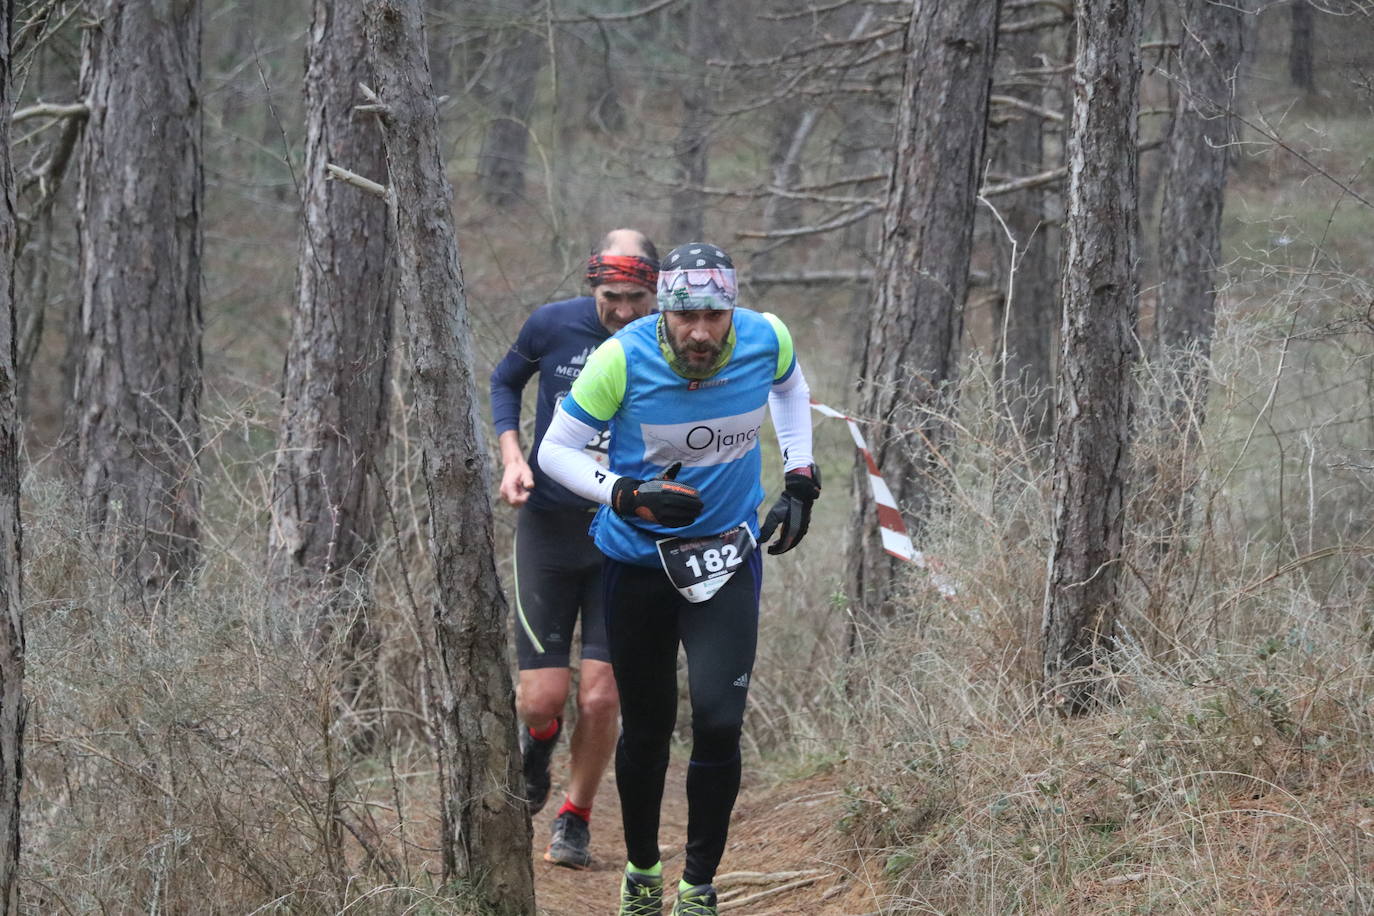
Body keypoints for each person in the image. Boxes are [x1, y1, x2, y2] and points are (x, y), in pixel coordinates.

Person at [538, 242, 821, 916]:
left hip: (726, 558)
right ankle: (641, 870)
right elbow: (555, 450)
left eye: (713, 316)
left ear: (732, 309)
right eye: (685, 316)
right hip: (638, 565)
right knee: (648, 728)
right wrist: (627, 493)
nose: (699, 332)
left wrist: (801, 475)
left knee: (720, 724)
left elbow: (790, 387)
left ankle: (698, 883)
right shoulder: (622, 358)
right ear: (664, 311)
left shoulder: (767, 336)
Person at [489, 228, 660, 868]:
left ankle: (575, 817)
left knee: (602, 696)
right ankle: (539, 742)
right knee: (541, 698)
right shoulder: (552, 326)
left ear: (656, 290)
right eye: (613, 296)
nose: (624, 311)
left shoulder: (668, 342)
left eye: (638, 298)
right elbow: (504, 383)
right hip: (550, 530)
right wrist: (512, 457)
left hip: (624, 537)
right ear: (594, 283)